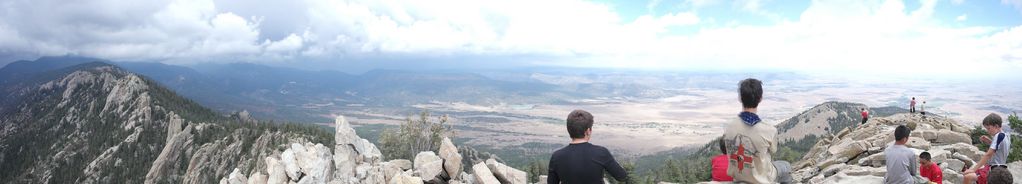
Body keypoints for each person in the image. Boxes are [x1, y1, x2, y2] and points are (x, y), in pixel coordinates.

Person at [723, 78, 789, 184]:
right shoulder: (769, 130)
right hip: (761, 179)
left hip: (738, 178)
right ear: (760, 99)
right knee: (786, 166)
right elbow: (773, 151)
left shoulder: (729, 127)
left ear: (740, 98)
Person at [548, 110, 628, 184]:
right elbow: (622, 176)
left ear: (569, 129)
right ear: (588, 131)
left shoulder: (556, 156)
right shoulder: (601, 153)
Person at [963, 113, 1013, 184]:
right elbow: (1000, 149)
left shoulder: (998, 136)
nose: (988, 131)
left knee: (967, 176)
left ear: (996, 126)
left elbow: (988, 154)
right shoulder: (1005, 135)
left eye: (989, 128)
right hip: (1001, 167)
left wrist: (973, 169)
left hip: (994, 169)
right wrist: (989, 141)